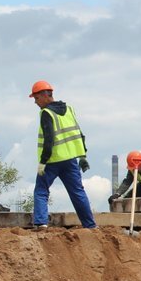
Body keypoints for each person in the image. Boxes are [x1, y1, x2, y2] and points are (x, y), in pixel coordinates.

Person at [29, 80, 96, 229]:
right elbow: (79, 133)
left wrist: (43, 162)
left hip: (52, 161)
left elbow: (49, 140)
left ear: (45, 96)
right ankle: (90, 226)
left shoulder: (46, 113)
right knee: (78, 192)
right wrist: (83, 155)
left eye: (36, 98)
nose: (35, 102)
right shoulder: (69, 109)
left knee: (41, 190)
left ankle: (41, 223)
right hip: (70, 160)